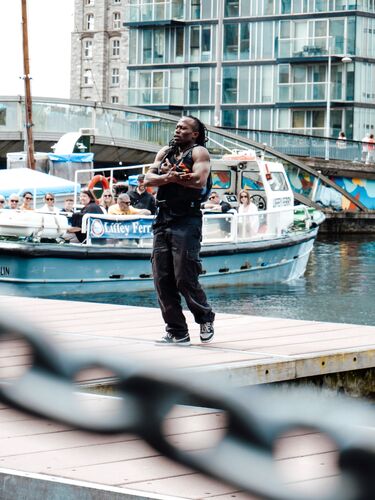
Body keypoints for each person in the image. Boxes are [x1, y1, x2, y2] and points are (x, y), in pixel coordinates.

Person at [144, 115, 215, 346]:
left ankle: (205, 317)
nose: (177, 130)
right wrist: (169, 177)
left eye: (183, 128)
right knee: (162, 277)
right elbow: (148, 179)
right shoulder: (165, 152)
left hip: (187, 218)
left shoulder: (199, 152)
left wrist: (171, 179)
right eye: (176, 127)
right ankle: (177, 331)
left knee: (185, 275)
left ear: (194, 134)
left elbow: (199, 181)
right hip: (163, 218)